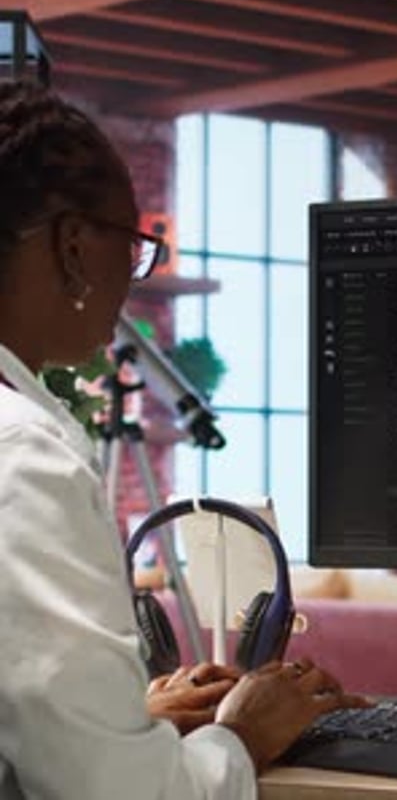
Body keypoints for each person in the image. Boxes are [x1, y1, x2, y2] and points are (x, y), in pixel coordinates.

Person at [0, 80, 364, 800]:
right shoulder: (25, 459)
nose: (131, 279)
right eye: (133, 246)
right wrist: (242, 735)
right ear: (75, 246)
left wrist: (119, 722)